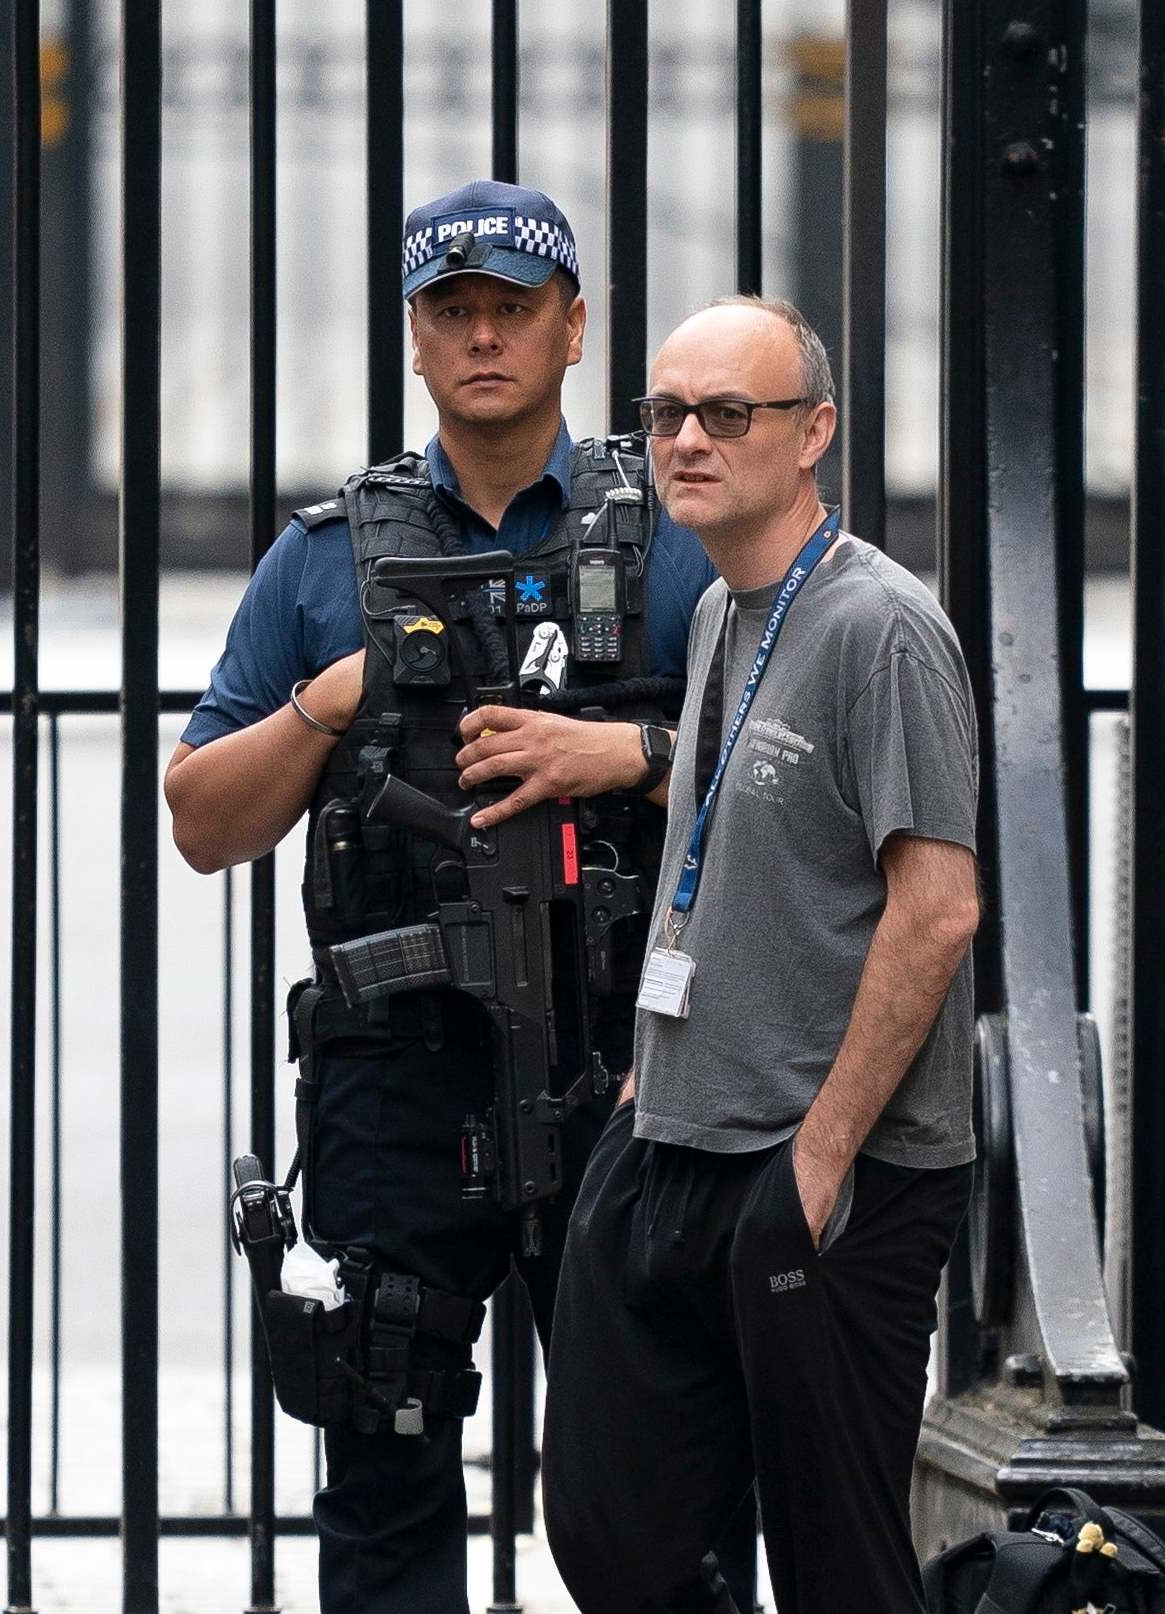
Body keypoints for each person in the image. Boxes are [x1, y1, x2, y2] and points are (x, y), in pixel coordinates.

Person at [169, 180, 717, 1610]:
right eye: (451, 309)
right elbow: (199, 822)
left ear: (573, 326)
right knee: (383, 1462)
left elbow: (794, 771)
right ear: (413, 338)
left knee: (654, 1475)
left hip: (618, 1075)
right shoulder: (319, 560)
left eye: (513, 308)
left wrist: (628, 752)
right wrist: (325, 704)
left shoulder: (667, 540)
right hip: (392, 1084)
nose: (483, 335)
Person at [540, 296, 979, 1613]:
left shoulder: (878, 629)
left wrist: (822, 1153)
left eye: (726, 413)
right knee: (621, 1536)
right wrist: (641, 1090)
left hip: (827, 1173)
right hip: (675, 1138)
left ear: (813, 435)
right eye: (662, 412)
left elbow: (936, 908)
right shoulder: (730, 615)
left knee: (835, 1562)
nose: (683, 438)